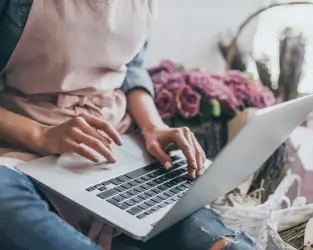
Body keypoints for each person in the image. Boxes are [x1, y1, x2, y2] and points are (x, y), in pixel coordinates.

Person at [0, 1, 257, 250]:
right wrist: (41, 135)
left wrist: (153, 126)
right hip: (25, 144)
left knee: (219, 240)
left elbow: (131, 66)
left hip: (118, 148)